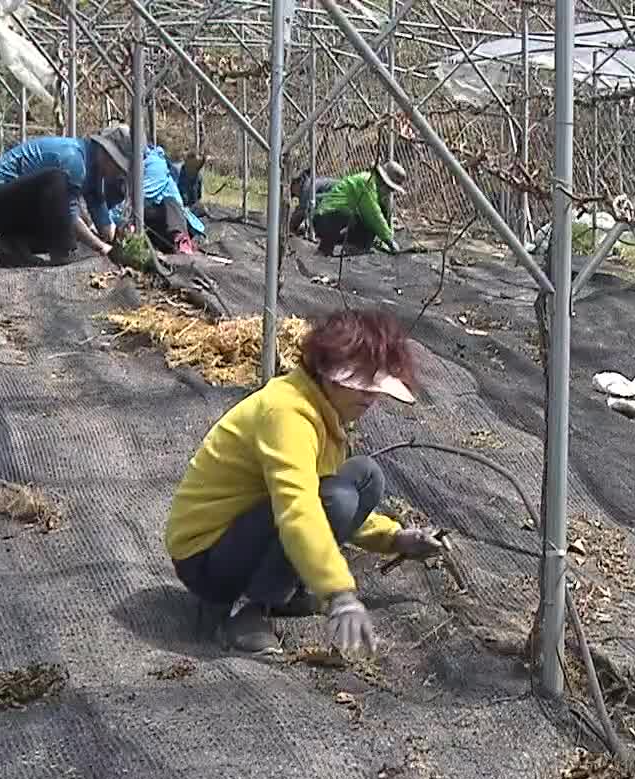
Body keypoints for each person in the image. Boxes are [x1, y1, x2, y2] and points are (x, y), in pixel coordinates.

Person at [163, 309, 443, 655]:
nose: (371, 398)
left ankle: (277, 592)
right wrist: (340, 592)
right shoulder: (287, 414)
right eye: (360, 385)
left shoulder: (323, 413)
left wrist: (395, 538)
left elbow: (322, 496)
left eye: (376, 387)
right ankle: (245, 611)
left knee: (364, 477)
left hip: (243, 532)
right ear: (326, 374)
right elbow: (300, 507)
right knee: (337, 497)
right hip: (204, 555)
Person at [0, 125, 132, 266]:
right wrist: (101, 247)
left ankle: (13, 244)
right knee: (56, 182)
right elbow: (69, 216)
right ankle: (62, 251)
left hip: (13, 206)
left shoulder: (94, 172)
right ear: (105, 153)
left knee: (76, 233)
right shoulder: (74, 159)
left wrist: (116, 238)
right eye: (118, 166)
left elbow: (98, 208)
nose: (118, 173)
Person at [106, 143, 206, 255]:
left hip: (172, 218)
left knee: (170, 202)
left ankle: (182, 241)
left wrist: (111, 219)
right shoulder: (129, 167)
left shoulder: (156, 165)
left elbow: (141, 197)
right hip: (151, 218)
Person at [311, 161, 406, 256]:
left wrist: (388, 239)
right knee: (354, 216)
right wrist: (389, 240)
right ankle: (327, 249)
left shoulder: (374, 188)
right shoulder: (366, 182)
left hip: (334, 221)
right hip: (325, 219)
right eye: (390, 188)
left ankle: (355, 246)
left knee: (368, 219)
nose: (389, 191)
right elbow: (373, 214)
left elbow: (385, 216)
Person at [287, 169, 334, 239]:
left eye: (293, 192)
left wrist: (289, 228)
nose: (295, 195)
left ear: (296, 183)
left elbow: (301, 210)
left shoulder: (307, 186)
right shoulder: (311, 182)